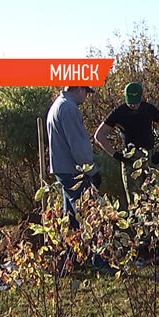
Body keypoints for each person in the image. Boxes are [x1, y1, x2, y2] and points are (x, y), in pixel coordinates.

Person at [94, 82, 159, 207]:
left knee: (154, 201)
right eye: (130, 102)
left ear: (141, 97)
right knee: (135, 202)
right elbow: (99, 135)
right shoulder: (119, 112)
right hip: (130, 160)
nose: (133, 105)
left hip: (149, 158)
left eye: (136, 102)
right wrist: (116, 155)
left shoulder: (148, 109)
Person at [47, 85, 100, 228]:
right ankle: (89, 250)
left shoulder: (58, 105)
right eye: (86, 92)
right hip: (73, 170)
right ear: (78, 89)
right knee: (86, 216)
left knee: (71, 217)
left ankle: (71, 249)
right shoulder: (69, 108)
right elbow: (77, 144)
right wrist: (91, 170)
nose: (86, 96)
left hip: (62, 168)